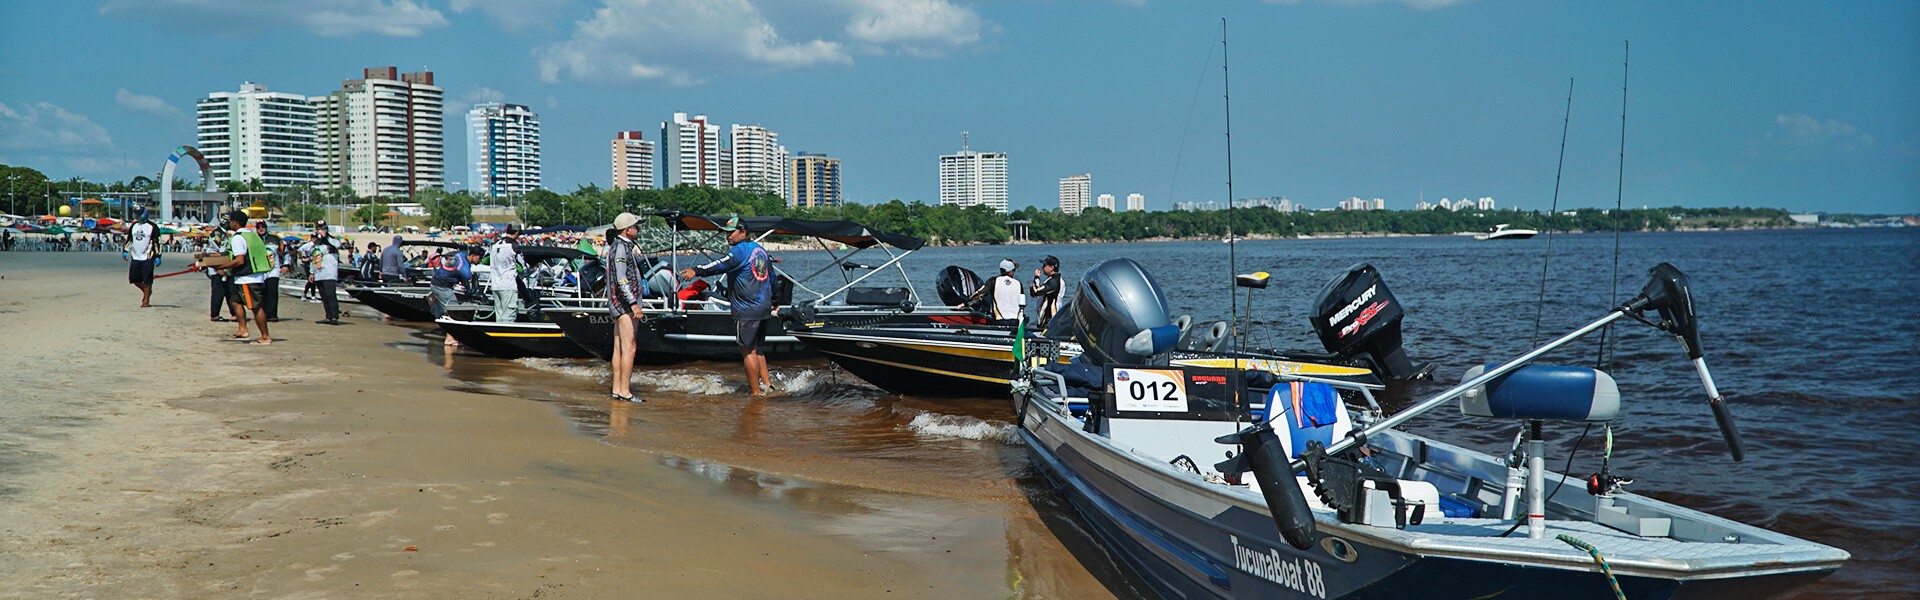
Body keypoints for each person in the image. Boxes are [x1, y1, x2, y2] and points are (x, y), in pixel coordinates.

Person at [680, 216, 776, 396]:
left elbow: (720, 265)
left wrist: (696, 271)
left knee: (747, 350)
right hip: (763, 307)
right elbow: (772, 278)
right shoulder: (760, 250)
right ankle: (767, 384)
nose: (727, 236)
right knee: (756, 347)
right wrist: (775, 301)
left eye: (731, 232)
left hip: (746, 310)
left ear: (743, 232)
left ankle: (755, 393)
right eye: (725, 233)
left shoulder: (739, 251)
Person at [199, 210, 273, 345]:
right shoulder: (252, 235)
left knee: (255, 307)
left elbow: (239, 260)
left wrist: (222, 266)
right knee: (235, 301)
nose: (229, 224)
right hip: (249, 276)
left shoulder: (238, 238)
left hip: (247, 278)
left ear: (235, 223)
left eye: (231, 221)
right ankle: (242, 329)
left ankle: (265, 336)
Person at [605, 212, 647, 402]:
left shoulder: (617, 246)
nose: (638, 229)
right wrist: (633, 303)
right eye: (636, 226)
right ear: (628, 230)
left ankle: (617, 389)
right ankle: (625, 391)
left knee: (619, 347)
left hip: (618, 302)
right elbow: (622, 278)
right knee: (630, 347)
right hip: (623, 304)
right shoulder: (621, 248)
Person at [428, 245, 481, 345]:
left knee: (449, 308)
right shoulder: (465, 270)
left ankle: (447, 331)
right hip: (441, 286)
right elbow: (468, 287)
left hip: (437, 282)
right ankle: (450, 339)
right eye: (480, 257)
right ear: (473, 255)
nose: (481, 260)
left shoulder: (461, 255)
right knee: (453, 311)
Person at [958, 258, 1026, 327]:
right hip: (1016, 322)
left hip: (1000, 321)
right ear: (1011, 271)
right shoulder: (1019, 283)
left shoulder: (993, 281)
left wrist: (964, 303)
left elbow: (980, 293)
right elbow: (1022, 304)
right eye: (1014, 270)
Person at [300, 226, 343, 325]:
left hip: (329, 273)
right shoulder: (316, 246)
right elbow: (313, 259)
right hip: (319, 273)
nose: (321, 231)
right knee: (323, 296)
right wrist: (311, 272)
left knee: (330, 294)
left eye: (323, 229)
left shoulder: (332, 242)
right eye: (319, 229)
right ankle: (328, 316)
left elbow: (338, 244)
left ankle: (334, 317)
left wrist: (326, 237)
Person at [487, 227, 524, 323]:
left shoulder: (494, 245)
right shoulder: (514, 246)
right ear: (516, 233)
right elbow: (521, 266)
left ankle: (497, 335)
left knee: (499, 315)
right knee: (509, 315)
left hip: (495, 285)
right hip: (508, 285)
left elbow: (485, 260)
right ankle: (506, 336)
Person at [125, 208, 159, 307]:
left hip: (148, 256)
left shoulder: (152, 227)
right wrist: (125, 251)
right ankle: (146, 292)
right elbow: (129, 239)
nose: (137, 216)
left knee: (147, 280)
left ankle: (146, 301)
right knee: (134, 279)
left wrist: (158, 256)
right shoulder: (134, 226)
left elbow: (157, 242)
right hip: (135, 256)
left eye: (139, 214)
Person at [254, 220, 283, 322]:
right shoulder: (254, 240)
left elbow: (284, 252)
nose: (261, 229)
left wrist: (286, 265)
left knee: (272, 292)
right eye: (258, 227)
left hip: (273, 270)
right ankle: (264, 314)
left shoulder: (275, 239)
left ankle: (272, 314)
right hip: (260, 270)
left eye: (263, 227)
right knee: (262, 292)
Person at [1030, 255, 1064, 326]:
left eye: (1045, 265)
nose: (1042, 267)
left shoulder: (1054, 281)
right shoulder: (1051, 280)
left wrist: (1037, 277)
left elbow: (1034, 292)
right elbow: (1035, 292)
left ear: (1051, 267)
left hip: (1050, 319)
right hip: (1047, 319)